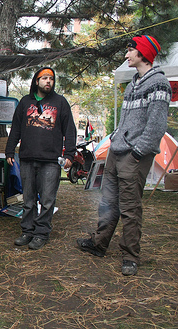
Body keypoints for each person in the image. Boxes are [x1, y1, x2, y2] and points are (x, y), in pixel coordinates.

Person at [77, 35, 171, 276]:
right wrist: (115, 140)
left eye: (130, 51)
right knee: (107, 203)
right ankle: (99, 244)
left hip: (134, 156)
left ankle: (130, 256)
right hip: (116, 153)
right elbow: (125, 122)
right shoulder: (132, 84)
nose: (126, 55)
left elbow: (156, 125)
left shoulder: (159, 84)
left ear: (143, 53)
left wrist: (138, 152)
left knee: (130, 208)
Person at [5, 67, 76, 250]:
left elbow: (70, 130)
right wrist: (10, 151)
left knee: (47, 200)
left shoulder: (60, 102)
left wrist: (69, 154)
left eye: (51, 79)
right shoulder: (25, 102)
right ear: (36, 81)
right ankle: (27, 231)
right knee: (28, 199)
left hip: (51, 160)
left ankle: (41, 233)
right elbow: (16, 128)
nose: (48, 82)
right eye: (44, 78)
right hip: (27, 158)